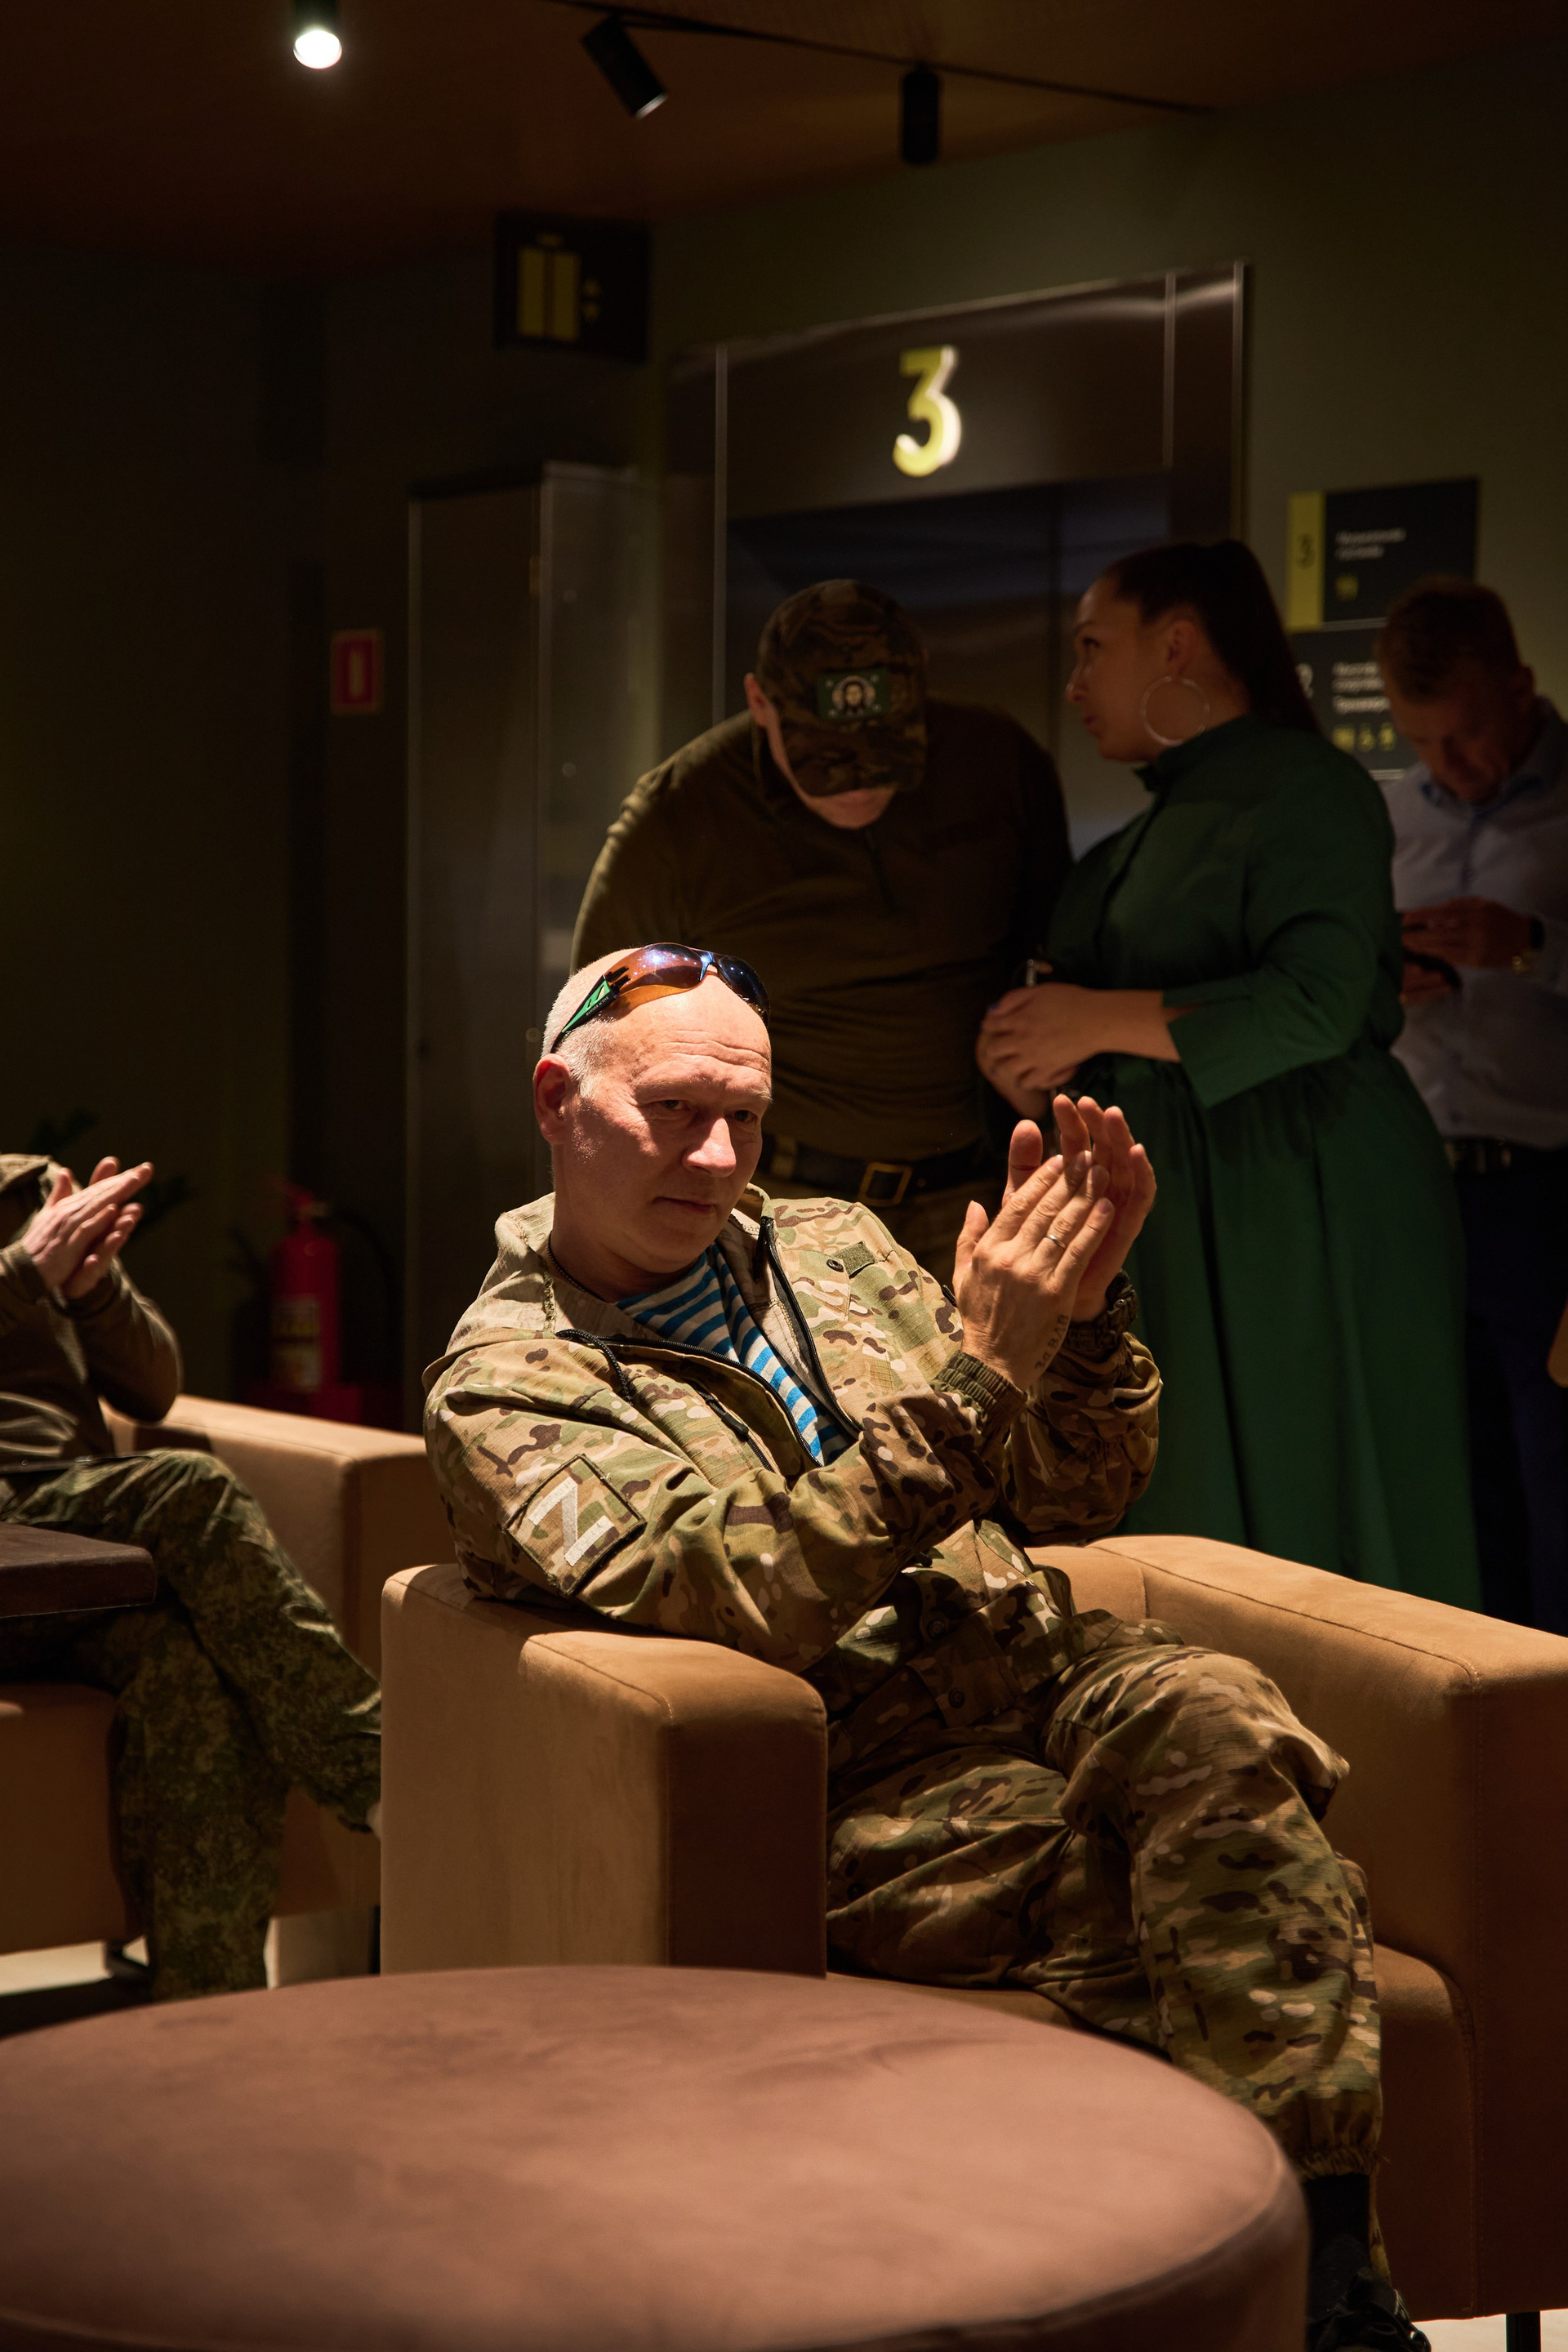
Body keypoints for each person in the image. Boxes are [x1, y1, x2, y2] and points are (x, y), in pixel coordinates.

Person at [425, 943, 1428, 2352]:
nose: (716, 1159)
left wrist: (1083, 1326)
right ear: (556, 1099)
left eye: (745, 1118)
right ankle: (1325, 2303)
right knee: (1229, 1889)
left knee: (1219, 1708)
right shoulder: (506, 1385)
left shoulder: (831, 1243)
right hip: (858, 1771)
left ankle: (1316, 2300)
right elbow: (741, 1591)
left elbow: (1074, 1495)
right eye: (674, 1112)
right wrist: (983, 1375)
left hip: (1041, 1664)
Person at [976, 539, 1477, 1608]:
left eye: (1092, 648)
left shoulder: (1311, 788)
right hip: (1200, 1199)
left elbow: (1316, 1002)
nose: (1073, 685)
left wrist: (1085, 1017)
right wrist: (1034, 1058)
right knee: (1193, 1493)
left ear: (1177, 645)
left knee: (1324, 1479)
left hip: (1301, 1191)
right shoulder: (1151, 827)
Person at [571, 578, 1070, 1286]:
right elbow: (592, 1030)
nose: (858, 783)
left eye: (883, 751)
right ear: (759, 703)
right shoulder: (682, 816)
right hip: (778, 1201)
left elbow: (1060, 951)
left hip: (976, 1191)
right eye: (824, 758)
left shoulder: (1000, 763)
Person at [0, 1150, 381, 2000]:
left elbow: (154, 1389)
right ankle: (380, 1773)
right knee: (190, 1488)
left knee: (192, 1668)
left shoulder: (31, 1195)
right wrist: (25, 1273)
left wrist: (92, 1290)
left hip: (67, 1540)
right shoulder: (27, 1245)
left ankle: (210, 2024)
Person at [1378, 579, 1568, 1632]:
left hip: (1548, 1198)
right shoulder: (1388, 818)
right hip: (1417, 1198)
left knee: (1556, 1483)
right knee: (1447, 1476)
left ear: (1521, 687)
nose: (1446, 764)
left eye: (1467, 734)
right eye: (1422, 742)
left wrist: (1530, 948)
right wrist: (1384, 979)